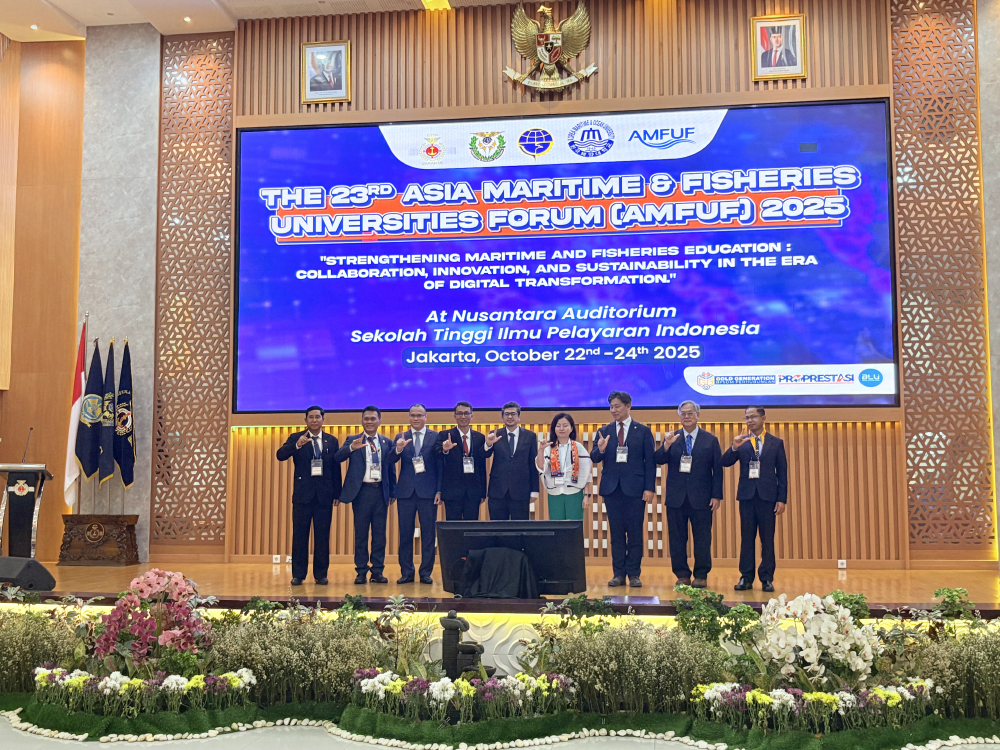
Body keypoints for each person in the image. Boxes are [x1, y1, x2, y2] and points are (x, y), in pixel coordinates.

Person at [655, 400, 723, 589]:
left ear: (697, 415)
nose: (686, 416)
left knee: (702, 538)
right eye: (683, 413)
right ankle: (682, 574)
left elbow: (717, 470)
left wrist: (716, 495)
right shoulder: (672, 438)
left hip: (702, 498)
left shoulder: (710, 440)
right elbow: (658, 459)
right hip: (676, 498)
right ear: (679, 416)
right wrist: (666, 445)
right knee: (677, 538)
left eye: (690, 413)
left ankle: (701, 574)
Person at [590, 391, 655, 587]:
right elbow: (594, 457)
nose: (613, 410)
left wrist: (649, 488)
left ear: (628, 406)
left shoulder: (642, 431)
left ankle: (634, 574)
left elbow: (650, 462)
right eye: (611, 407)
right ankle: (618, 574)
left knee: (634, 533)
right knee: (616, 534)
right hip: (612, 490)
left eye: (617, 406)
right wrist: (601, 449)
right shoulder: (604, 430)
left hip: (635, 489)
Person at [722, 406, 788, 592]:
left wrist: (781, 499)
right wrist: (734, 447)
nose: (750, 421)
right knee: (747, 538)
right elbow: (724, 462)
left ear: (763, 418)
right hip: (747, 496)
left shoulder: (776, 443)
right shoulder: (742, 442)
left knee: (767, 539)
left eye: (753, 417)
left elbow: (782, 473)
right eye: (746, 418)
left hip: (768, 497)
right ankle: (746, 577)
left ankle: (767, 578)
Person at [275, 406, 342, 586]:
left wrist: (337, 492)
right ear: (305, 420)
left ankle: (321, 574)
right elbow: (280, 455)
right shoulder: (296, 438)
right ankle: (298, 574)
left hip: (324, 496)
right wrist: (297, 445)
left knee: (322, 536)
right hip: (302, 496)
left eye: (317, 417)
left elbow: (335, 468)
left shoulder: (331, 441)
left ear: (323, 420)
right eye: (310, 417)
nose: (314, 420)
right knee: (299, 536)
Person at [336, 405, 397, 585]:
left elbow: (391, 469)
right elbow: (337, 458)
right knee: (361, 534)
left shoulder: (386, 442)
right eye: (366, 419)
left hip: (380, 492)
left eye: (373, 419)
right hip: (361, 493)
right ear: (362, 421)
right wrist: (351, 448)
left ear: (379, 421)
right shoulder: (353, 439)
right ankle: (361, 571)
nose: (369, 422)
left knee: (379, 535)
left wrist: (392, 491)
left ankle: (377, 571)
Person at [391, 403, 441, 584]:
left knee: (428, 534)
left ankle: (426, 572)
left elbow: (440, 466)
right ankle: (407, 572)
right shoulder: (401, 437)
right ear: (409, 417)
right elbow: (391, 459)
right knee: (405, 534)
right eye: (413, 415)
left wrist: (439, 490)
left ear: (426, 417)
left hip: (428, 492)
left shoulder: (436, 436)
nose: (416, 418)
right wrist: (398, 449)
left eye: (420, 415)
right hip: (405, 492)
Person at [484, 401, 539, 520]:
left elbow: (533, 463)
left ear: (519, 416)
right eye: (507, 414)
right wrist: (488, 443)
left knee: (519, 528)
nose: (510, 417)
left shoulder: (530, 436)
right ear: (502, 417)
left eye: (513, 414)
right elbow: (485, 454)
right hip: (498, 490)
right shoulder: (495, 434)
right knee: (497, 527)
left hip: (521, 490)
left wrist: (534, 490)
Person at [435, 401, 487, 520]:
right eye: (459, 413)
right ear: (454, 416)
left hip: (473, 492)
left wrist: (483, 492)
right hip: (452, 492)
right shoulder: (445, 435)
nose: (463, 417)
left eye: (466, 413)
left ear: (471, 416)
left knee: (471, 528)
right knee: (453, 528)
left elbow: (482, 466)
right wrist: (445, 449)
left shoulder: (479, 437)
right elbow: (436, 453)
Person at [536, 412, 592, 520]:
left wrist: (586, 495)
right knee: (557, 527)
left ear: (571, 428)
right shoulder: (548, 447)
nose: (561, 428)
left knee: (574, 527)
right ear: (554, 428)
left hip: (575, 492)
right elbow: (541, 467)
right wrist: (541, 450)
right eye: (558, 426)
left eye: (565, 425)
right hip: (554, 493)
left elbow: (586, 473)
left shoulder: (578, 447)